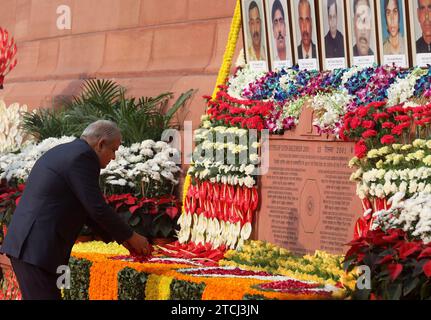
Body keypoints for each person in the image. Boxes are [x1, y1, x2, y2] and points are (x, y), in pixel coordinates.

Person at [0, 120, 151, 300]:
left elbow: (85, 208)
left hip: (33, 248)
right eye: (114, 150)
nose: (114, 157)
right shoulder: (83, 157)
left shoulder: (70, 151)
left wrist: (123, 240)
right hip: (35, 248)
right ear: (101, 144)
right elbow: (96, 207)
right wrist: (131, 236)